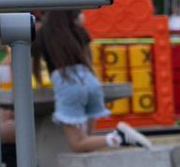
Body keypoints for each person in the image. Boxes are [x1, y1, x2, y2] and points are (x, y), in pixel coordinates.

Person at [33, 10, 152, 152]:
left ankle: (118, 137)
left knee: (78, 144)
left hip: (67, 84)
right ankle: (117, 139)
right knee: (87, 141)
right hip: (90, 81)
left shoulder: (44, 34)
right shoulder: (80, 31)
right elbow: (89, 60)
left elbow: (34, 61)